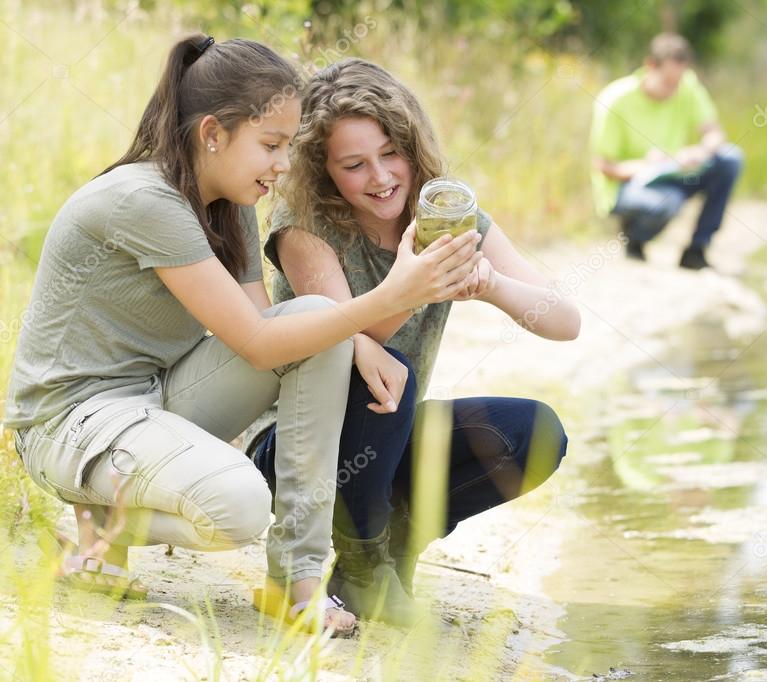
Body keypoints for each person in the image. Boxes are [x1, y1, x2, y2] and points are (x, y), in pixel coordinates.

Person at [4, 36, 481, 637]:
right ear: (212, 133)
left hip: (155, 401)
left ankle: (297, 583)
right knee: (241, 506)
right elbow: (255, 343)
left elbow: (279, 336)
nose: (284, 165)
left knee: (314, 326)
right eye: (272, 145)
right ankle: (106, 520)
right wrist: (392, 298)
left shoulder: (230, 206)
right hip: (69, 424)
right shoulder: (143, 201)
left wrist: (357, 333)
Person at [248, 58, 580, 627]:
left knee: (534, 433)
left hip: (386, 439)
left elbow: (565, 320)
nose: (380, 177)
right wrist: (413, 286)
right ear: (325, 171)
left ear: (412, 147)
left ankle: (387, 551)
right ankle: (360, 565)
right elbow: (340, 329)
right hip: (297, 452)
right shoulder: (302, 225)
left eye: (391, 154)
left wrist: (491, 285)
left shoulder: (446, 218)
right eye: (354, 165)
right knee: (379, 367)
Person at [590, 32, 744, 269]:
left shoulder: (687, 86)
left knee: (730, 158)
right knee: (667, 201)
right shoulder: (616, 98)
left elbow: (714, 133)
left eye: (677, 82)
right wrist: (647, 165)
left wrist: (701, 151)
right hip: (627, 186)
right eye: (667, 82)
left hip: (675, 175)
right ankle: (634, 238)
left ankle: (696, 251)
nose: (673, 90)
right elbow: (604, 166)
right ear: (650, 65)